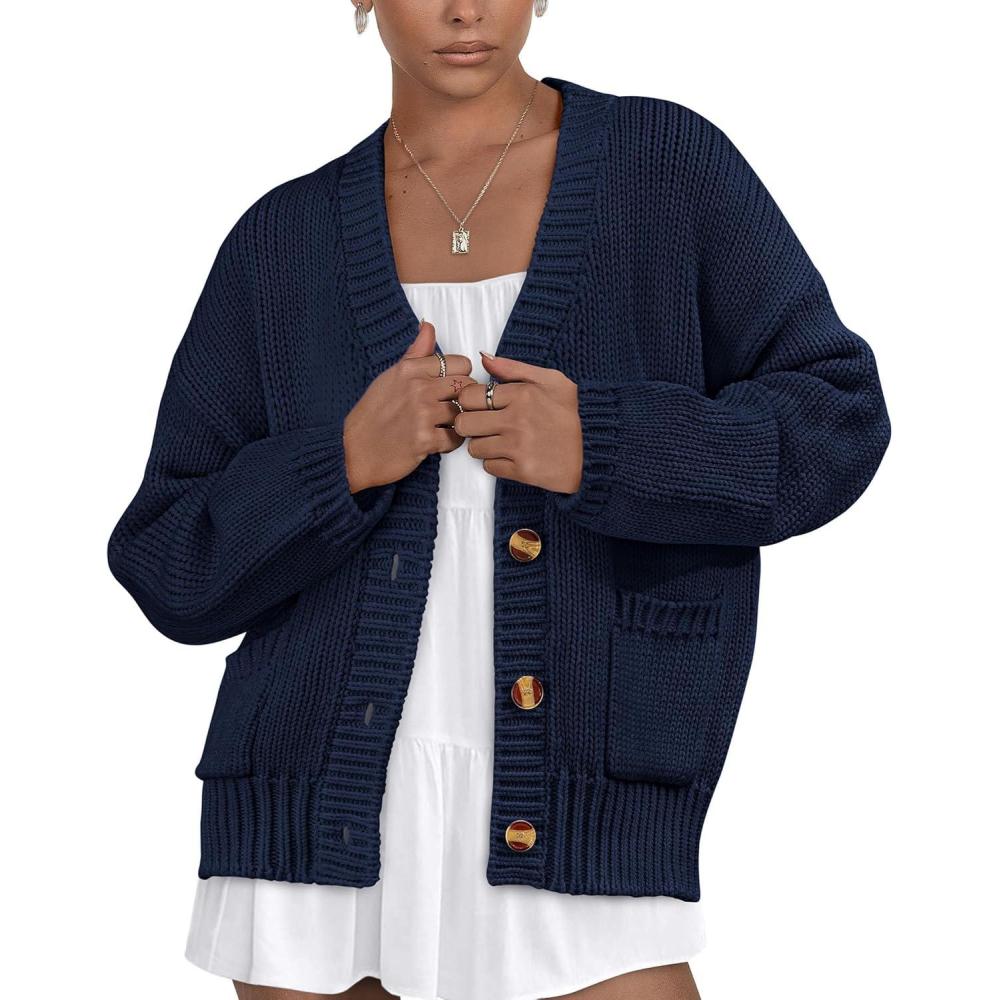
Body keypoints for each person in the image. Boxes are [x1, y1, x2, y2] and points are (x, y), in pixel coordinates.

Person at [106, 2, 892, 998]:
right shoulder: (281, 240)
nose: (465, 8)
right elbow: (167, 558)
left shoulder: (665, 169)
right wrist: (342, 462)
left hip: (583, 792)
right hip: (314, 814)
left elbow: (837, 419)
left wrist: (606, 445)